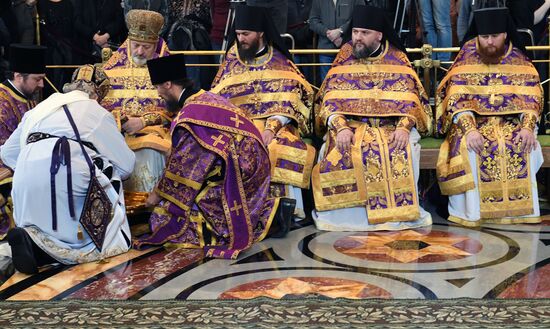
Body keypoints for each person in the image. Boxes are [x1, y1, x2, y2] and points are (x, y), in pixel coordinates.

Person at [134, 54, 296, 259]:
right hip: (253, 166)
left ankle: (273, 217)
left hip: (241, 174)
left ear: (168, 84)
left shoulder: (189, 118)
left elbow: (185, 171)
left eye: (158, 87)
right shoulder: (204, 97)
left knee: (165, 217)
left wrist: (156, 195)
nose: (158, 94)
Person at [0, 64, 135, 274]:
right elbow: (126, 165)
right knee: (108, 173)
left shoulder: (41, 107)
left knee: (47, 226)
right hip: (66, 169)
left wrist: (38, 168)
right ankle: (51, 252)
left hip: (25, 178)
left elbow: (8, 153)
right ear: (98, 95)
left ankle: (33, 243)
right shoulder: (95, 111)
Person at [312, 5, 433, 231]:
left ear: (379, 35)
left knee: (398, 148)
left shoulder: (398, 59)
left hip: (390, 127)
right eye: (355, 31)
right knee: (344, 150)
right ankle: (345, 218)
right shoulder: (346, 56)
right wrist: (340, 127)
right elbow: (328, 99)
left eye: (364, 33)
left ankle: (398, 214)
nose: (357, 38)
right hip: (352, 127)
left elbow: (413, 101)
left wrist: (404, 127)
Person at [436, 7, 544, 227]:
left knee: (522, 144)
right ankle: (473, 211)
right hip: (472, 123)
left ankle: (519, 211)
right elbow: (455, 99)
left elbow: (532, 98)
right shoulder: (467, 55)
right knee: (472, 146)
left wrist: (527, 126)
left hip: (511, 122)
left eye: (494, 36)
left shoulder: (518, 58)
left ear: (505, 34)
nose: (489, 42)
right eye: (484, 37)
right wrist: (470, 129)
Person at [211, 5, 314, 220]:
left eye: (246, 34)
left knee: (279, 148)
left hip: (276, 125)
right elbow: (217, 97)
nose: (241, 40)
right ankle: (239, 212)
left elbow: (293, 96)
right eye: (238, 34)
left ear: (260, 33)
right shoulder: (232, 58)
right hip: (237, 126)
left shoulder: (278, 59)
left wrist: (272, 126)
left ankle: (286, 210)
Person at [101, 9, 171, 194]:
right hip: (118, 135)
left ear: (155, 45)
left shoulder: (166, 69)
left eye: (146, 47)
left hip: (154, 135)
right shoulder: (111, 69)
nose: (139, 51)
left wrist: (143, 122)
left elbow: (176, 111)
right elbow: (98, 109)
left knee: (150, 149)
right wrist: (121, 121)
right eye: (136, 45)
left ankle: (147, 207)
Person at [0, 44, 46, 240]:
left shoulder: (29, 98)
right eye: (37, 79)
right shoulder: (2, 103)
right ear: (19, 77)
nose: (42, 85)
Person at [309, 0, 363, 83]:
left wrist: (341, 31)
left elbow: (359, 16)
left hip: (349, 50)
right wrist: (327, 33)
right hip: (326, 51)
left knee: (349, 83)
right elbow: (313, 21)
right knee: (326, 84)